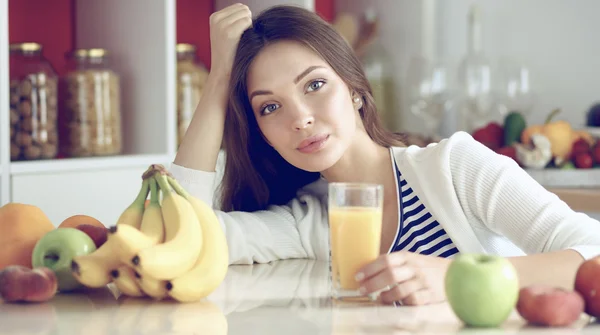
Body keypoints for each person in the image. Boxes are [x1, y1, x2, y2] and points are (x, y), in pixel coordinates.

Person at [171, 3, 600, 306]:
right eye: (270, 106)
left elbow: (593, 251)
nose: (299, 118)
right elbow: (180, 237)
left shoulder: (455, 167)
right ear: (262, 133)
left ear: (355, 89)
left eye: (315, 85)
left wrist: (453, 278)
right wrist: (219, 81)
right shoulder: (311, 223)